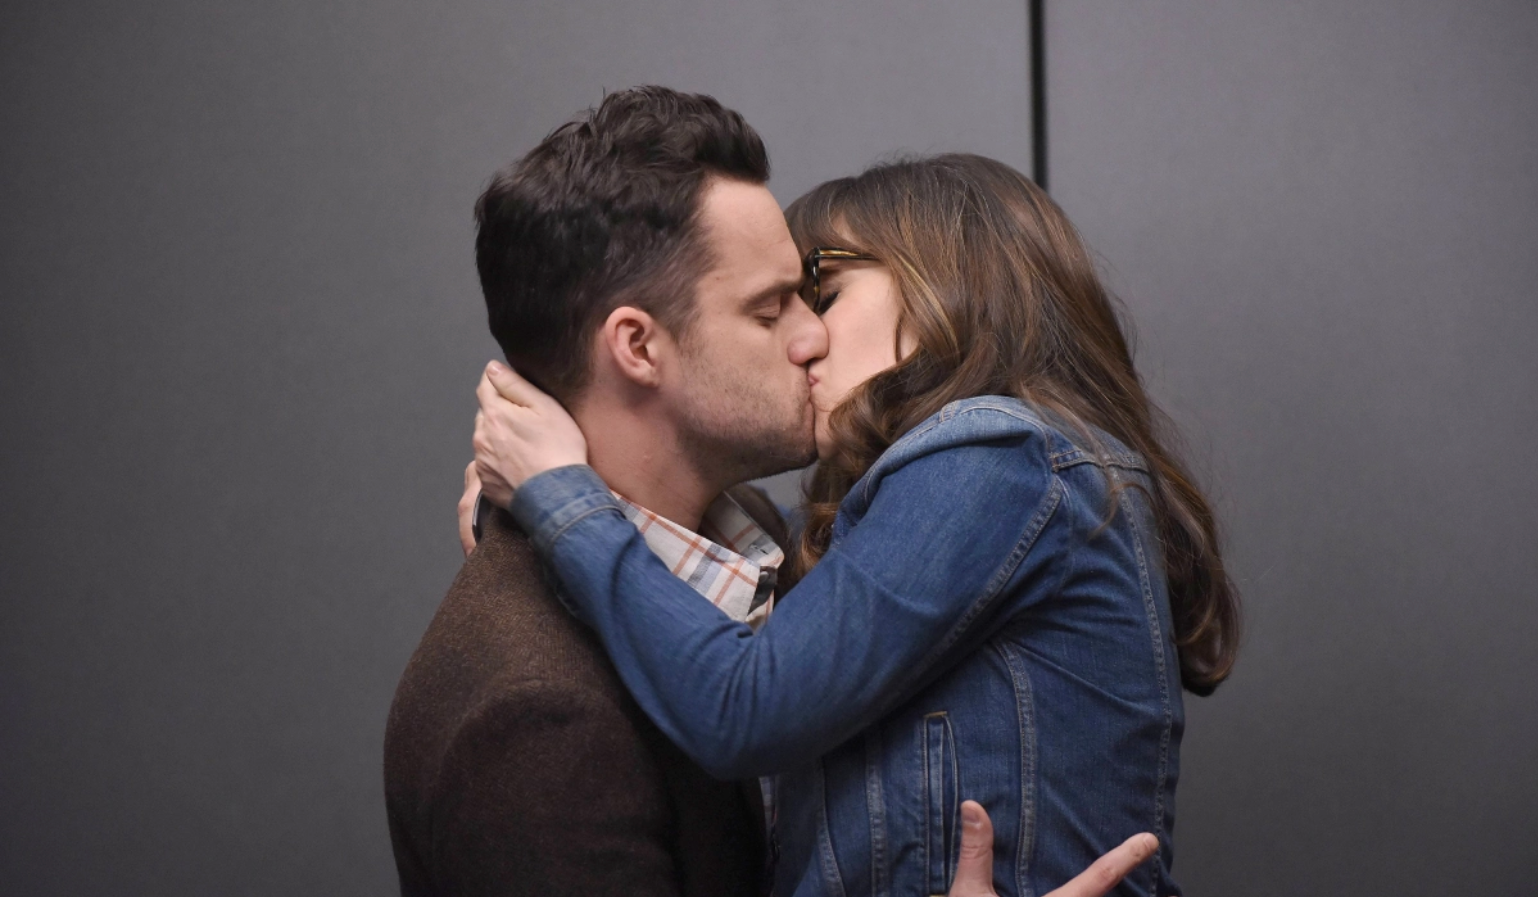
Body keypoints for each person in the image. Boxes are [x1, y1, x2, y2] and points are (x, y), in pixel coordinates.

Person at [387, 87, 1157, 897]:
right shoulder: (531, 716)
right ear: (638, 346)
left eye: (819, 294)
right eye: (773, 308)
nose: (810, 333)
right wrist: (541, 506)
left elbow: (755, 678)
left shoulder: (780, 538)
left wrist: (553, 502)